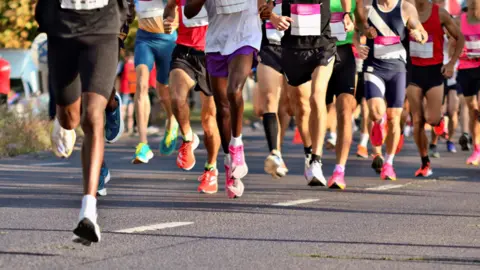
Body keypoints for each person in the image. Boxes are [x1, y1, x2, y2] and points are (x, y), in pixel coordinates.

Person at [35, 0, 126, 244]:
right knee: (70, 118)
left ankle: (88, 212)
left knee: (92, 116)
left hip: (103, 26)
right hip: (62, 26)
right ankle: (62, 118)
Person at [184, 0, 263, 198]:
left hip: (245, 35)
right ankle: (229, 161)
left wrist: (268, 8)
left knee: (234, 90)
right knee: (222, 105)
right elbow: (189, 12)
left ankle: (237, 146)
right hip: (216, 41)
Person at [363, 0, 428, 181]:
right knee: (376, 112)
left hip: (397, 70)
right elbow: (356, 30)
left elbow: (423, 33)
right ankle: (378, 121)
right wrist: (364, 33)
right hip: (374, 67)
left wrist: (418, 35)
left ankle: (389, 163)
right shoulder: (368, 7)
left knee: (394, 118)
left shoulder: (406, 8)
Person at [163, 0, 222, 194]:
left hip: (212, 55)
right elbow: (170, 7)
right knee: (177, 99)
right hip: (184, 52)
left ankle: (211, 168)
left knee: (209, 121)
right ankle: (188, 138)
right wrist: (169, 20)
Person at [406, 0, 464, 177]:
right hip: (413, 70)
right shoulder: (406, 11)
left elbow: (459, 37)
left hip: (434, 71)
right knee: (417, 120)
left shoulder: (440, 14)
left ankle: (439, 122)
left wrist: (451, 63)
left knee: (431, 119)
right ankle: (425, 162)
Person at [132, 0, 179, 164]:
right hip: (144, 40)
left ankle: (171, 119)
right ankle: (143, 144)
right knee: (141, 85)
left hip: (168, 40)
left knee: (163, 90)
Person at [257, 0, 291, 179]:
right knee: (270, 99)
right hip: (269, 46)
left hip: (296, 48)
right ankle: (275, 151)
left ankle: (279, 147)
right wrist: (273, 16)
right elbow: (259, 6)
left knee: (286, 106)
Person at [456, 2, 480, 165]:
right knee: (473, 110)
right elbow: (453, 43)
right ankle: (477, 149)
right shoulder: (460, 20)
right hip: (465, 68)